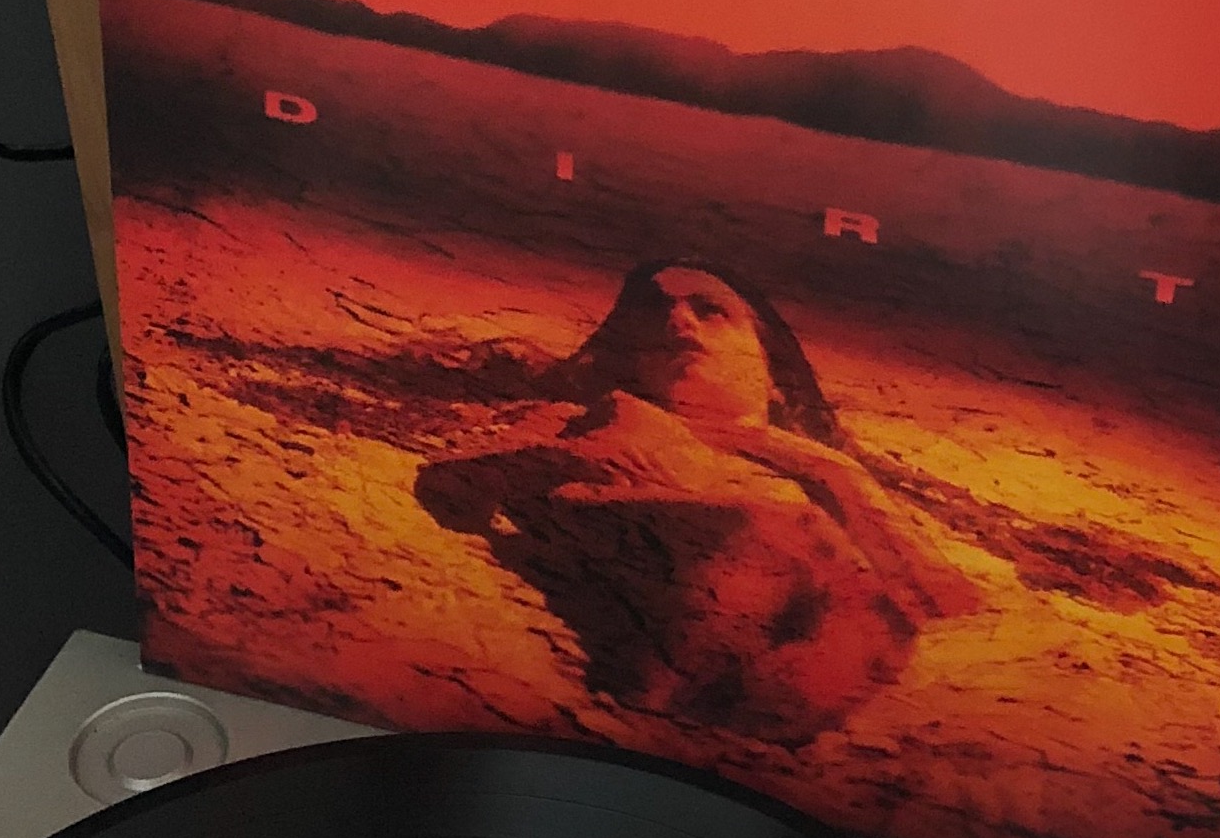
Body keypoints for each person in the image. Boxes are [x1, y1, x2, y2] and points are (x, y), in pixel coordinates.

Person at [416, 264, 978, 743]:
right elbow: (452, 488)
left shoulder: (830, 477)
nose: (678, 321)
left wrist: (833, 474)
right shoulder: (596, 419)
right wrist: (574, 461)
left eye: (710, 311)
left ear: (771, 368)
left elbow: (944, 603)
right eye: (654, 311)